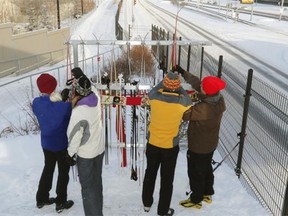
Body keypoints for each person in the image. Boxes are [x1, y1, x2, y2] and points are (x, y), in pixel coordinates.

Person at [174, 65, 226, 209]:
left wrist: (178, 97)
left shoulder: (204, 109)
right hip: (210, 144)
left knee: (195, 172)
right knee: (206, 167)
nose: (200, 86)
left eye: (203, 86)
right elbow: (197, 83)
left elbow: (184, 114)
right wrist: (183, 72)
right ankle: (207, 193)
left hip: (198, 146)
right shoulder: (218, 99)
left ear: (207, 92)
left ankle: (196, 199)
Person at [142, 71, 192, 216]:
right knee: (167, 179)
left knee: (150, 173)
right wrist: (178, 86)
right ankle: (163, 210)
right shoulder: (183, 102)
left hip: (153, 143)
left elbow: (154, 89)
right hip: (170, 147)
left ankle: (146, 203)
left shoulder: (155, 98)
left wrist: (165, 82)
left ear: (164, 84)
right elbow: (187, 97)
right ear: (177, 87)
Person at [32, 73, 74, 213]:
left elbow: (49, 107)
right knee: (63, 172)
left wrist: (60, 99)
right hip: (60, 144)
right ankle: (61, 201)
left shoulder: (36, 103)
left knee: (48, 168)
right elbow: (68, 110)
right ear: (53, 88)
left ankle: (41, 198)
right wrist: (65, 98)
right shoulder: (62, 107)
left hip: (46, 144)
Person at [66, 74, 105, 216]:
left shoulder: (78, 112)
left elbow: (74, 137)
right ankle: (98, 211)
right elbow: (92, 86)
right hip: (99, 150)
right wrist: (82, 76)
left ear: (76, 92)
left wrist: (70, 154)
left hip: (86, 155)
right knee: (96, 184)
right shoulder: (96, 97)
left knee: (88, 188)